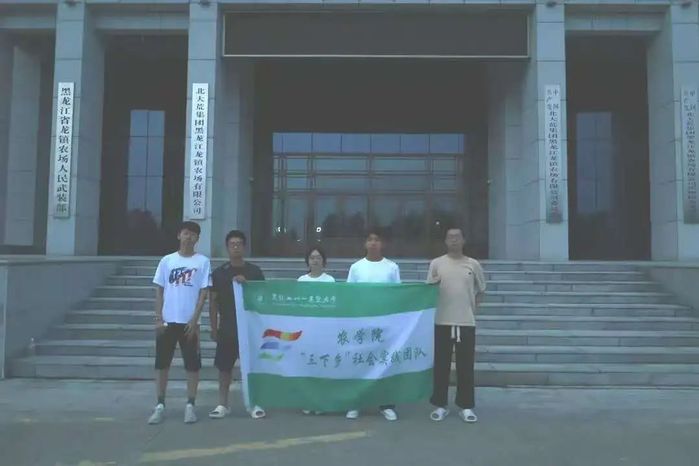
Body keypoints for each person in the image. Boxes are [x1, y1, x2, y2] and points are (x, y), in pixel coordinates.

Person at [148, 221, 211, 425]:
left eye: (193, 234)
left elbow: (203, 293)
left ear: (197, 238)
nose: (189, 237)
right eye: (186, 233)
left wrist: (195, 319)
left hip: (190, 323)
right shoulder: (167, 261)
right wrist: (158, 317)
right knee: (162, 364)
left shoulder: (202, 262)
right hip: (168, 321)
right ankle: (160, 404)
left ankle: (190, 404)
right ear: (179, 235)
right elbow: (159, 290)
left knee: (192, 365)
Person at [426, 226, 486, 423]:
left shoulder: (473, 264)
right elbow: (428, 290)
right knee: (441, 366)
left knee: (465, 366)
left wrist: (472, 309)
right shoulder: (436, 263)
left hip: (465, 322)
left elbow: (481, 290)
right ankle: (440, 405)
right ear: (445, 241)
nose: (453, 240)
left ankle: (466, 406)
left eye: (457, 237)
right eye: (450, 237)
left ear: (463, 240)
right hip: (441, 320)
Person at [208, 230, 267, 420]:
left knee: (252, 368)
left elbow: (263, 297)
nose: (235, 247)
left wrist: (247, 284)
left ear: (244, 247)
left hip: (250, 328)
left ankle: (255, 403)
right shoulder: (219, 273)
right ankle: (223, 404)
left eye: (239, 244)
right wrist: (213, 327)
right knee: (224, 368)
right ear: (227, 247)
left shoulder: (254, 272)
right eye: (232, 244)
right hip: (227, 327)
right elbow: (213, 302)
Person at [345, 229, 401, 422]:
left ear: (382, 244)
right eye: (370, 239)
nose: (373, 243)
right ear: (365, 244)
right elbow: (349, 295)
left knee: (384, 363)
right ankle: (356, 402)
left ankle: (386, 404)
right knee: (359, 362)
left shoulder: (392, 267)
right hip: (361, 323)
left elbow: (397, 295)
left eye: (377, 240)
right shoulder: (356, 267)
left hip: (384, 324)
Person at [298, 247, 335, 415]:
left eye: (318, 257)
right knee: (307, 366)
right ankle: (308, 400)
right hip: (306, 329)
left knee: (322, 366)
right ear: (307, 261)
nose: (315, 260)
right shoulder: (301, 280)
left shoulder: (330, 281)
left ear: (324, 261)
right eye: (312, 257)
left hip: (324, 330)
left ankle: (321, 401)